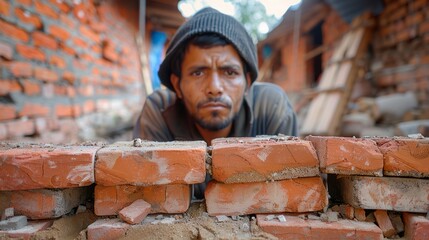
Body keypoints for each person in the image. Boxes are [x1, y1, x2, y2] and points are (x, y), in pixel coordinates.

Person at [133, 7, 298, 198]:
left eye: (229, 72)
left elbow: (289, 194)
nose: (214, 87)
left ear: (247, 83)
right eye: (198, 73)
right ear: (177, 85)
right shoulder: (160, 111)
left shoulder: (271, 106)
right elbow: (148, 196)